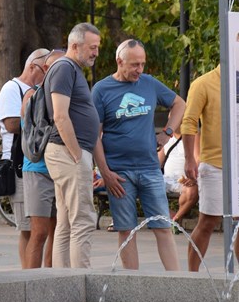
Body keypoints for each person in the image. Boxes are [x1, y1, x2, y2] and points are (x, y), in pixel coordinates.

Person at [92, 39, 185, 271]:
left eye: (142, 64)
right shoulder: (101, 90)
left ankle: (177, 282)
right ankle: (132, 283)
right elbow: (95, 136)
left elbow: (179, 103)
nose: (139, 70)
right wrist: (105, 173)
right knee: (126, 230)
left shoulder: (149, 83)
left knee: (163, 227)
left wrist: (168, 133)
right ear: (119, 61)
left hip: (150, 168)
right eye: (134, 64)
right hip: (119, 173)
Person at [181, 65, 239, 274]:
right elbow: (189, 122)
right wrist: (189, 159)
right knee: (208, 222)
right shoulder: (203, 83)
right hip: (214, 164)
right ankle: (192, 276)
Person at [43, 23, 101, 269]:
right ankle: (81, 280)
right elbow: (60, 115)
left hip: (67, 153)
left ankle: (64, 281)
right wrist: (77, 154)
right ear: (75, 46)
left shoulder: (70, 69)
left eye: (97, 47)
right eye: (92, 47)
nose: (96, 53)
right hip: (68, 153)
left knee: (66, 223)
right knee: (82, 221)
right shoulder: (65, 68)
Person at [0, 47, 49, 268]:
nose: (47, 74)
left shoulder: (40, 90)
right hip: (19, 164)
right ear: (32, 67)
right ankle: (27, 274)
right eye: (45, 69)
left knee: (43, 228)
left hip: (37, 163)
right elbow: (11, 124)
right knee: (28, 229)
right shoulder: (12, 88)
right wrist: (41, 122)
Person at [21, 49, 65, 268]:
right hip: (38, 169)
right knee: (39, 232)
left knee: (58, 231)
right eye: (58, 67)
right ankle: (31, 280)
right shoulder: (33, 95)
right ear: (47, 69)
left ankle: (51, 277)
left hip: (62, 170)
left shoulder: (66, 94)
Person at [159, 129, 199, 224]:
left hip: (185, 180)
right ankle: (171, 217)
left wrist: (193, 177)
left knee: (192, 190)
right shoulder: (165, 138)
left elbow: (198, 159)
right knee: (145, 186)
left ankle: (176, 219)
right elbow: (156, 163)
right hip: (166, 179)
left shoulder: (194, 136)